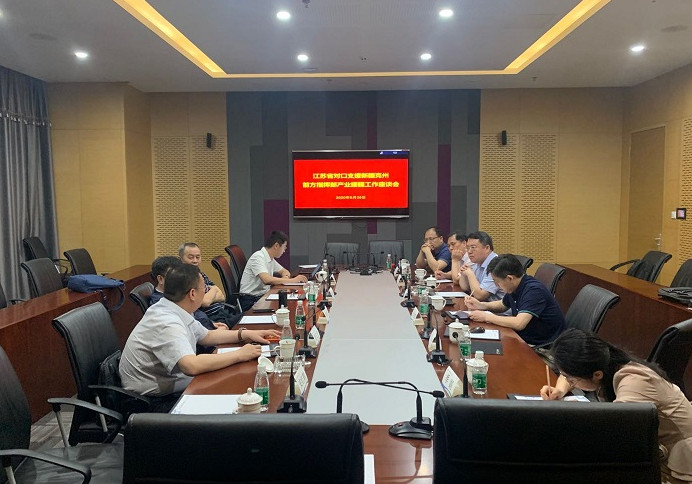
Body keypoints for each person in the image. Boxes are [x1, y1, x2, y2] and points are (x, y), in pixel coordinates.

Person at [119, 263, 280, 412]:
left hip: (170, 387)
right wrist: (239, 354)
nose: (206, 291)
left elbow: (207, 336)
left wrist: (244, 334)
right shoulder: (166, 321)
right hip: (152, 403)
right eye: (205, 288)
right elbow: (191, 366)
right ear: (192, 293)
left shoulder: (176, 308)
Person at [541, 329, 692, 483]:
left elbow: (615, 431)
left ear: (597, 374)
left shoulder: (634, 382)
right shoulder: (607, 361)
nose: (569, 381)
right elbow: (570, 374)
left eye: (572, 380)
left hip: (677, 468)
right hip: (656, 453)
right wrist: (560, 390)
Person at [465, 254, 565, 346]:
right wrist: (481, 305)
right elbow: (502, 305)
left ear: (509, 278)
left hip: (542, 345)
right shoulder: (516, 286)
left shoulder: (534, 290)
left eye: (497, 282)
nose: (496, 285)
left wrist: (486, 317)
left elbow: (519, 323)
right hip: (523, 337)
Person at [238, 231, 307, 312]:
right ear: (276, 245)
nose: (284, 251)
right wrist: (293, 280)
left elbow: (285, 271)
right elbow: (266, 280)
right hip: (250, 300)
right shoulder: (258, 257)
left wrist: (285, 279)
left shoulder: (270, 258)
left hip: (262, 296)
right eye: (284, 248)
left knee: (284, 308)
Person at [179, 242, 242, 328]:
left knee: (248, 318)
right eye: (191, 257)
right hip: (212, 319)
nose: (195, 261)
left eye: (198, 257)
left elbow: (221, 296)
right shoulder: (183, 278)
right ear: (181, 259)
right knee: (246, 319)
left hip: (223, 312)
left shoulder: (201, 274)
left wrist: (210, 295)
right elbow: (205, 302)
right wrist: (214, 290)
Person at [456, 231, 504, 302]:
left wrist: (470, 274)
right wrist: (464, 273)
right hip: (483, 305)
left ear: (487, 248)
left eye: (473, 247)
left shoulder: (496, 264)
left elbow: (480, 296)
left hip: (499, 308)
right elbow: (465, 288)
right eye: (468, 248)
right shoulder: (478, 262)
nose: (469, 251)